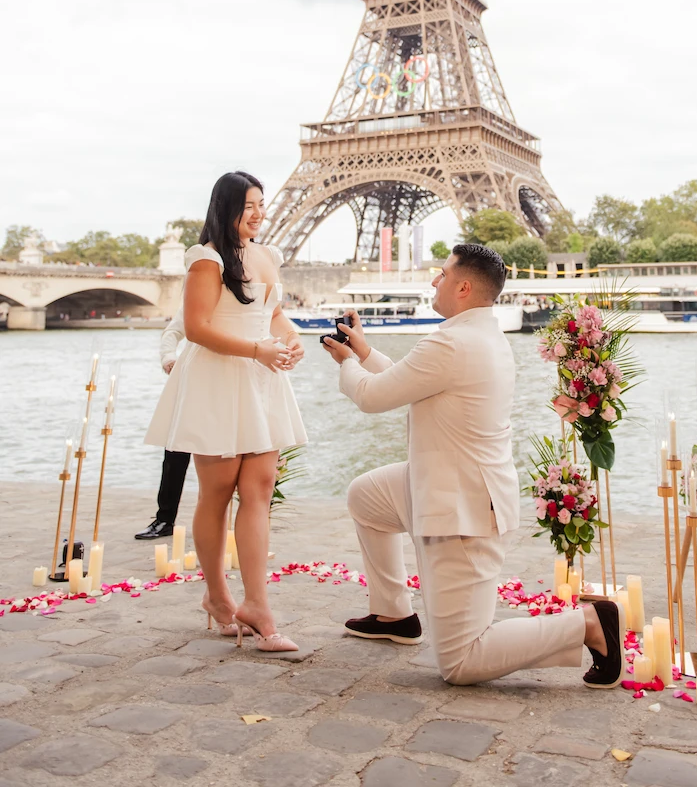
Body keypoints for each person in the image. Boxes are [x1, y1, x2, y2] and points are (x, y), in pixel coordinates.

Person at [322, 243, 625, 688]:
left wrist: (348, 362)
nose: (433, 280)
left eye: (441, 274)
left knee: (461, 662)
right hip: (443, 480)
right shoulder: (478, 335)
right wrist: (366, 354)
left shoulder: (451, 342)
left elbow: (372, 396)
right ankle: (394, 613)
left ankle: (588, 625)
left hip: (460, 504)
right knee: (365, 497)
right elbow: (412, 380)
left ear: (462, 286)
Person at [145, 170, 306, 651]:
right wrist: (257, 350)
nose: (259, 213)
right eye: (250, 205)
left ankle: (257, 602)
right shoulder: (206, 260)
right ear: (227, 207)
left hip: (259, 379)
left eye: (262, 204)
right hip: (218, 377)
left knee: (259, 487)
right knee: (216, 491)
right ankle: (217, 596)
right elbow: (195, 328)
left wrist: (292, 342)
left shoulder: (266, 256)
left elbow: (274, 315)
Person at [135, 309, 191, 540]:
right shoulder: (199, 291)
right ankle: (165, 518)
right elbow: (173, 332)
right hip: (193, 381)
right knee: (175, 451)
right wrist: (169, 358)